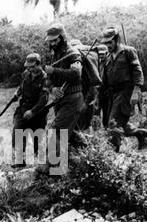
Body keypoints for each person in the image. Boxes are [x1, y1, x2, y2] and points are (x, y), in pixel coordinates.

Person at [35, 23, 85, 175]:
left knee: (56, 132)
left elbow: (76, 74)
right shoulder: (54, 55)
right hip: (60, 101)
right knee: (73, 134)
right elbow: (48, 80)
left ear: (62, 38)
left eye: (55, 40)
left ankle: (55, 169)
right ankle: (91, 156)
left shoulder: (73, 53)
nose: (52, 43)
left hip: (72, 99)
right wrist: (52, 89)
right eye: (50, 41)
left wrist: (55, 70)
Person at [101, 27, 147, 152]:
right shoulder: (107, 55)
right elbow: (105, 77)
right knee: (112, 121)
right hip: (113, 93)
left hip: (126, 91)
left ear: (117, 40)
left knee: (114, 122)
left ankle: (113, 151)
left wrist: (136, 90)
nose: (107, 45)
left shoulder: (128, 51)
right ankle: (140, 134)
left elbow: (137, 71)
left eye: (109, 42)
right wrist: (98, 95)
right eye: (105, 43)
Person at [11, 53, 48, 168]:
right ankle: (19, 161)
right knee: (17, 132)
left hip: (38, 113)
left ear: (38, 64)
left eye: (32, 66)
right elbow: (21, 87)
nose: (29, 69)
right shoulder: (26, 74)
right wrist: (17, 93)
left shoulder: (46, 77)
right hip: (23, 110)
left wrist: (33, 111)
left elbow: (44, 98)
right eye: (28, 67)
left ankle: (42, 165)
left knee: (38, 139)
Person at [69, 39, 102, 131]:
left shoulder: (89, 66)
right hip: (74, 99)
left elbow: (92, 85)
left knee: (85, 122)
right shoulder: (72, 65)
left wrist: (86, 102)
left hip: (86, 98)